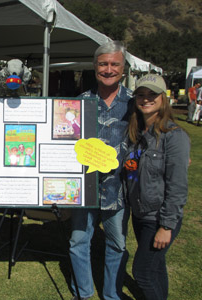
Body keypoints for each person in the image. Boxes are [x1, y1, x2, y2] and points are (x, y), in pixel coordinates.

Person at [69, 41, 133, 300]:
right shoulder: (80, 103)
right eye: (103, 64)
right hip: (84, 188)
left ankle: (111, 295)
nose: (108, 69)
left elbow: (155, 131)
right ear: (95, 67)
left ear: (123, 68)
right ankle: (83, 293)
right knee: (78, 243)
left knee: (117, 245)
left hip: (118, 188)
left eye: (114, 64)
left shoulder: (133, 103)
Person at [123, 74, 190, 300]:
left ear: (163, 99)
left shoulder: (174, 137)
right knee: (156, 267)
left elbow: (177, 187)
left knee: (142, 273)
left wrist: (166, 226)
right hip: (140, 214)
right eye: (141, 95)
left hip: (158, 218)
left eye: (152, 95)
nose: (146, 99)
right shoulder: (135, 134)